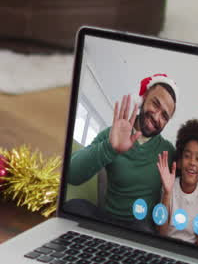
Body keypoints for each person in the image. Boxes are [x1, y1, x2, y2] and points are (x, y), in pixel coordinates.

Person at [67, 73, 179, 231]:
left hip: (139, 228)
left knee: (143, 229)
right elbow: (71, 173)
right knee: (74, 207)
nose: (156, 116)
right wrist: (109, 148)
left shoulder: (168, 151)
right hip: (106, 219)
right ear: (144, 96)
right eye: (155, 104)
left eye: (164, 116)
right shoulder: (113, 135)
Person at [154, 119, 198, 246]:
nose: (192, 162)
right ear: (180, 161)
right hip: (166, 247)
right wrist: (167, 192)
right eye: (187, 156)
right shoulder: (170, 185)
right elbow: (161, 233)